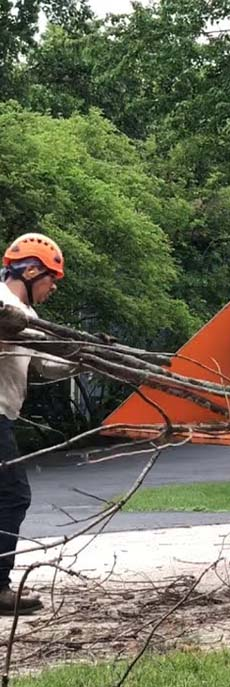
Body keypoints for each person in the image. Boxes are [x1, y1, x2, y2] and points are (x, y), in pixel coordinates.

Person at [0, 233, 75, 615]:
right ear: (30, 271)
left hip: (4, 417)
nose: (53, 287)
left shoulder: (28, 318)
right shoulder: (2, 305)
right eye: (51, 279)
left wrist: (86, 355)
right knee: (12, 496)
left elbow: (47, 365)